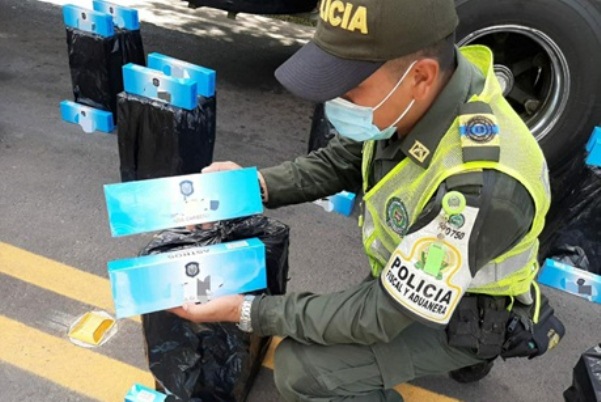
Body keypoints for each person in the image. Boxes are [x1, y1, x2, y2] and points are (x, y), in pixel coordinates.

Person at [171, 0, 556, 400]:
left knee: (302, 369)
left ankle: (470, 348)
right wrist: (250, 186)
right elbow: (342, 159)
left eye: (350, 89)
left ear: (421, 77)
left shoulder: (476, 187)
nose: (335, 100)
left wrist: (246, 311)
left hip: (466, 310)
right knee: (329, 326)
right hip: (416, 273)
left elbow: (380, 313)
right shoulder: (426, 92)